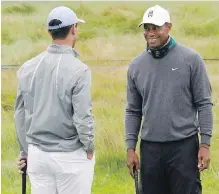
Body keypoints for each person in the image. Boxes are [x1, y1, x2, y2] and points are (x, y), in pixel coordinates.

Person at [125, 5, 213, 194]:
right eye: (147, 28)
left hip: (184, 148)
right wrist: (130, 148)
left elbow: (204, 103)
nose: (150, 33)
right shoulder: (136, 66)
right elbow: (133, 110)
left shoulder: (191, 60)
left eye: (155, 28)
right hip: (150, 148)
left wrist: (205, 144)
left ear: (168, 27)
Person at [14, 6, 95, 194]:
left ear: (49, 32)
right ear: (74, 29)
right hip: (70, 156)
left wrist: (25, 151)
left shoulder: (27, 68)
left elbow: (20, 114)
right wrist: (89, 147)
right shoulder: (80, 70)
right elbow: (83, 117)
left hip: (37, 155)